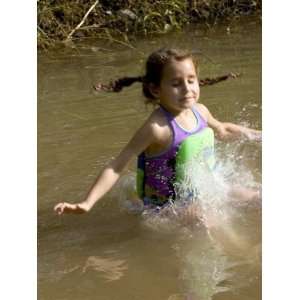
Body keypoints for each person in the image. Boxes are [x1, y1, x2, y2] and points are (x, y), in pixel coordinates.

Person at [54, 48, 261, 216]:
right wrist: (87, 203)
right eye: (176, 84)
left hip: (201, 189)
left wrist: (260, 135)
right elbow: (117, 165)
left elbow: (223, 129)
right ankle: (243, 254)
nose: (187, 89)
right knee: (205, 218)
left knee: (259, 198)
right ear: (155, 90)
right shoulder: (157, 128)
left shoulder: (200, 111)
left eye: (191, 80)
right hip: (166, 205)